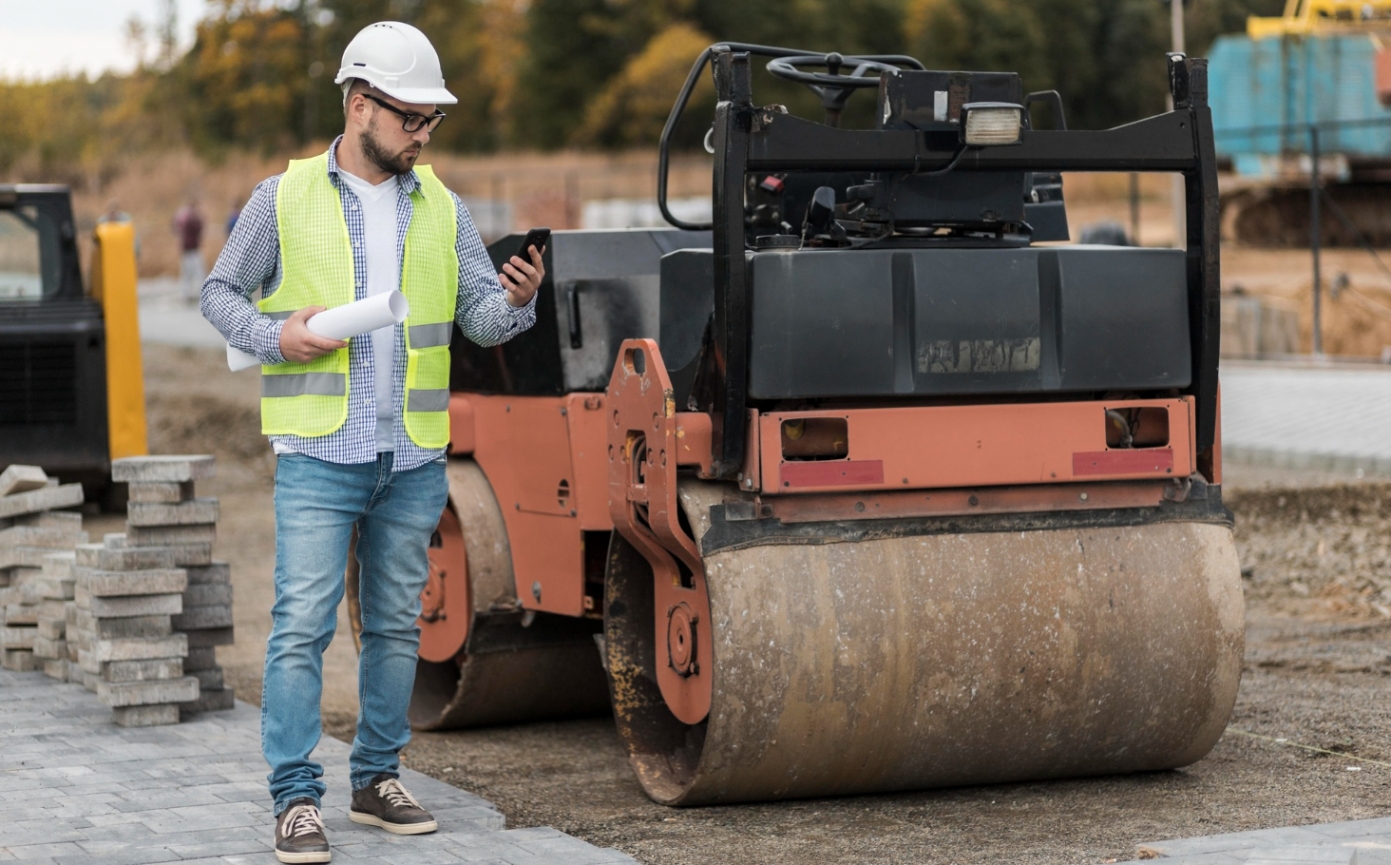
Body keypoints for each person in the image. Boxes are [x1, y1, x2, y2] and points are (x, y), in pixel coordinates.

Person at [200, 21, 545, 865]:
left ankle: (376, 776)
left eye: (433, 121)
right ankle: (294, 798)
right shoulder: (280, 198)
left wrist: (520, 299)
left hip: (412, 456)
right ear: (361, 106)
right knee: (299, 628)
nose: (425, 135)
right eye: (412, 118)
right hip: (319, 452)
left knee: (395, 626)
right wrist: (280, 337)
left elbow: (478, 320)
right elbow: (218, 293)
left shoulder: (445, 209)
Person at [173, 197, 205, 303]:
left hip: (188, 249)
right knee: (195, 272)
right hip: (191, 249)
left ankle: (188, 293)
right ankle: (191, 293)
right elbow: (199, 227)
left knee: (189, 273)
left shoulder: (181, 216)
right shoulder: (189, 218)